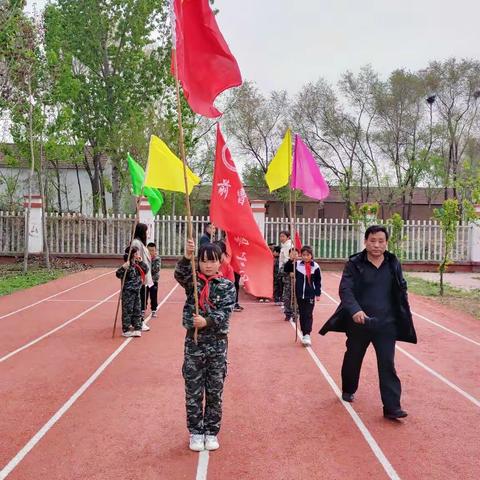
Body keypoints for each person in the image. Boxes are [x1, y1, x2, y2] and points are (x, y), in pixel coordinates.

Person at [319, 225, 417, 420]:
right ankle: (348, 388)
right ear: (365, 241)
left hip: (386, 324)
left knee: (387, 363)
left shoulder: (392, 262)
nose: (376, 245)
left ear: (386, 243)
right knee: (353, 358)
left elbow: (400, 288)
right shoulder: (355, 263)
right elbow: (346, 290)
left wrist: (401, 312)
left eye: (381, 241)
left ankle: (392, 407)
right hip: (360, 323)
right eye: (372, 241)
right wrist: (355, 310)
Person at [174, 239, 236, 452]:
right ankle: (195, 432)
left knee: (214, 390)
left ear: (220, 262)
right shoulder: (193, 280)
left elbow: (226, 311)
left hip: (217, 346)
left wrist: (207, 322)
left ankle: (211, 431)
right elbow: (179, 274)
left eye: (212, 261)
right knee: (193, 390)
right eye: (203, 261)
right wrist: (187, 256)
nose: (208, 265)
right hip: (194, 344)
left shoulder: (227, 285)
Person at [284, 245, 321, 346]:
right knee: (302, 314)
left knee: (308, 314)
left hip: (310, 295)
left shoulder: (316, 266)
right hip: (299, 294)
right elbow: (286, 269)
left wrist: (317, 294)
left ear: (311, 255)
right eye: (303, 255)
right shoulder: (297, 264)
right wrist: (290, 260)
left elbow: (318, 281)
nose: (305, 257)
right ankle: (304, 332)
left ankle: (307, 334)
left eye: (307, 255)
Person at [115, 246, 149, 338]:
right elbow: (118, 274)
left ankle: (137, 327)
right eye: (136, 253)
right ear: (132, 254)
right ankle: (126, 329)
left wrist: (141, 262)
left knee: (137, 309)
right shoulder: (127, 265)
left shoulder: (137, 264)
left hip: (136, 291)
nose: (138, 255)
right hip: (128, 292)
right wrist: (123, 267)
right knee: (127, 311)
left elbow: (146, 270)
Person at [131, 223, 153, 331]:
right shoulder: (136, 243)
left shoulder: (140, 243)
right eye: (145, 231)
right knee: (139, 299)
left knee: (141, 298)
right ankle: (139, 321)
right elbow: (136, 259)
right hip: (139, 275)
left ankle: (138, 320)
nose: (147, 233)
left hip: (144, 275)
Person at [282, 248, 298, 322]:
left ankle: (295, 315)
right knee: (287, 300)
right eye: (292, 254)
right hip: (288, 286)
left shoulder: (300, 264)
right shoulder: (286, 263)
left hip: (297, 286)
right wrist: (289, 273)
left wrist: (296, 274)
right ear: (289, 255)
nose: (294, 255)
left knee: (296, 301)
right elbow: (283, 272)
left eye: (295, 254)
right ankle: (288, 314)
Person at [147, 242, 161, 317]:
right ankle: (142, 309)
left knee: (153, 295)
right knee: (144, 295)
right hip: (146, 280)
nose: (151, 252)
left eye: (152, 250)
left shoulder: (157, 259)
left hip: (153, 280)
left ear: (155, 251)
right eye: (149, 250)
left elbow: (155, 269)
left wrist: (151, 261)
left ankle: (154, 310)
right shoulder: (145, 258)